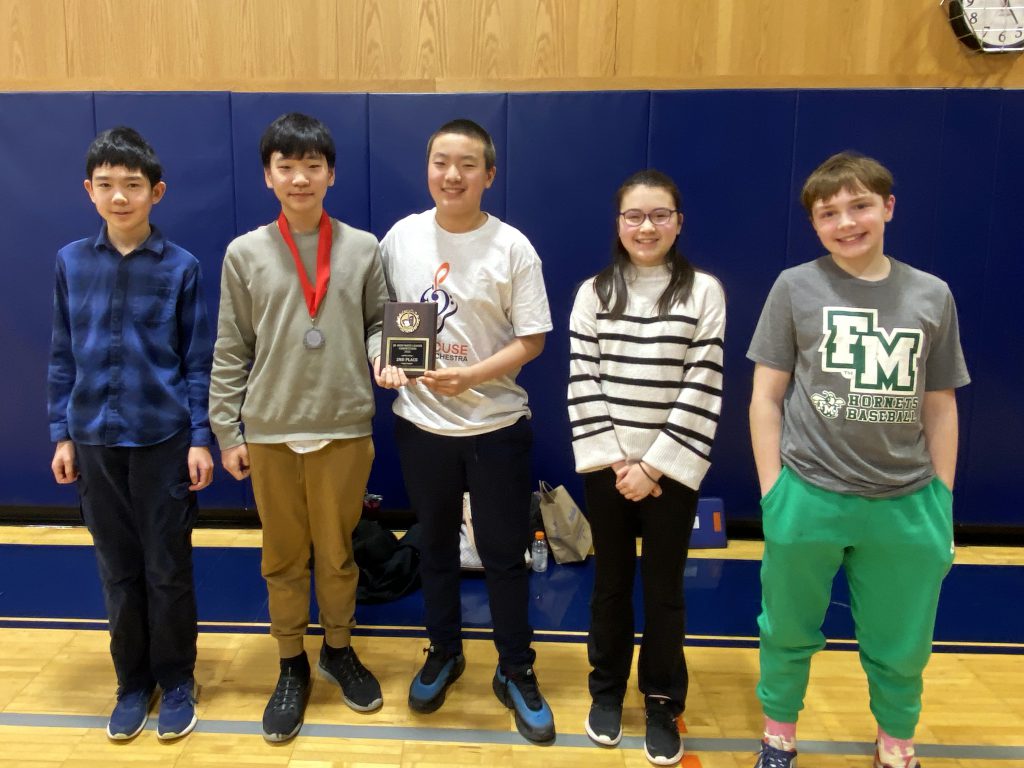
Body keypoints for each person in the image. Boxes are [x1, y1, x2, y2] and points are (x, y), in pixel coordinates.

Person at [747, 151, 970, 768]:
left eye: (860, 205)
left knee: (901, 641)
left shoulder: (933, 294)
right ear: (815, 224)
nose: (846, 222)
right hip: (809, 495)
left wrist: (942, 499)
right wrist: (775, 491)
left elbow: (941, 403)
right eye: (829, 213)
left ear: (888, 208)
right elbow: (766, 396)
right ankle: (778, 736)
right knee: (787, 628)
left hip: (906, 503)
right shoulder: (795, 287)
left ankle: (895, 742)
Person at [209, 112, 390, 743]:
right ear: (268, 176)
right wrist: (227, 431)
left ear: (331, 174)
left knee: (338, 554)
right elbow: (231, 346)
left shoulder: (365, 248)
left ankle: (338, 650)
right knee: (282, 556)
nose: (300, 177)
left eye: (312, 165)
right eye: (287, 166)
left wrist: (383, 353)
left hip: (343, 424)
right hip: (270, 429)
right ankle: (291, 664)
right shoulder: (245, 253)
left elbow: (379, 324)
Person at [375, 118, 555, 743]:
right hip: (421, 424)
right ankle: (444, 650)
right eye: (441, 162)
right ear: (428, 168)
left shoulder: (513, 248)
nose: (453, 175)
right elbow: (382, 320)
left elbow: (533, 338)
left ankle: (515, 668)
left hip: (496, 424)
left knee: (505, 555)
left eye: (467, 164)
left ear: (489, 175)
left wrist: (475, 374)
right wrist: (385, 357)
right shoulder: (399, 238)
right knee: (434, 550)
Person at [47, 126, 213, 741]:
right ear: (90, 190)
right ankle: (132, 682)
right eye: (108, 185)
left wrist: (200, 438)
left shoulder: (182, 268)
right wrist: (62, 433)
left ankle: (176, 681)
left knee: (167, 568)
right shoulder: (69, 262)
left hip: (163, 441)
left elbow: (196, 360)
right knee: (117, 569)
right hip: (92, 441)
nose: (121, 197)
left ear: (156, 192)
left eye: (133, 186)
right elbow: (63, 354)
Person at [568, 170, 726, 766]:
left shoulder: (703, 292)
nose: (646, 226)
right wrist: (617, 461)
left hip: (670, 473)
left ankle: (661, 700)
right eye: (634, 215)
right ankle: (605, 691)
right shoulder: (594, 292)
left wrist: (655, 467)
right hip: (607, 469)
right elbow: (584, 383)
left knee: (663, 592)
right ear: (618, 224)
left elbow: (702, 386)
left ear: (678, 223)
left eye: (660, 215)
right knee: (609, 585)